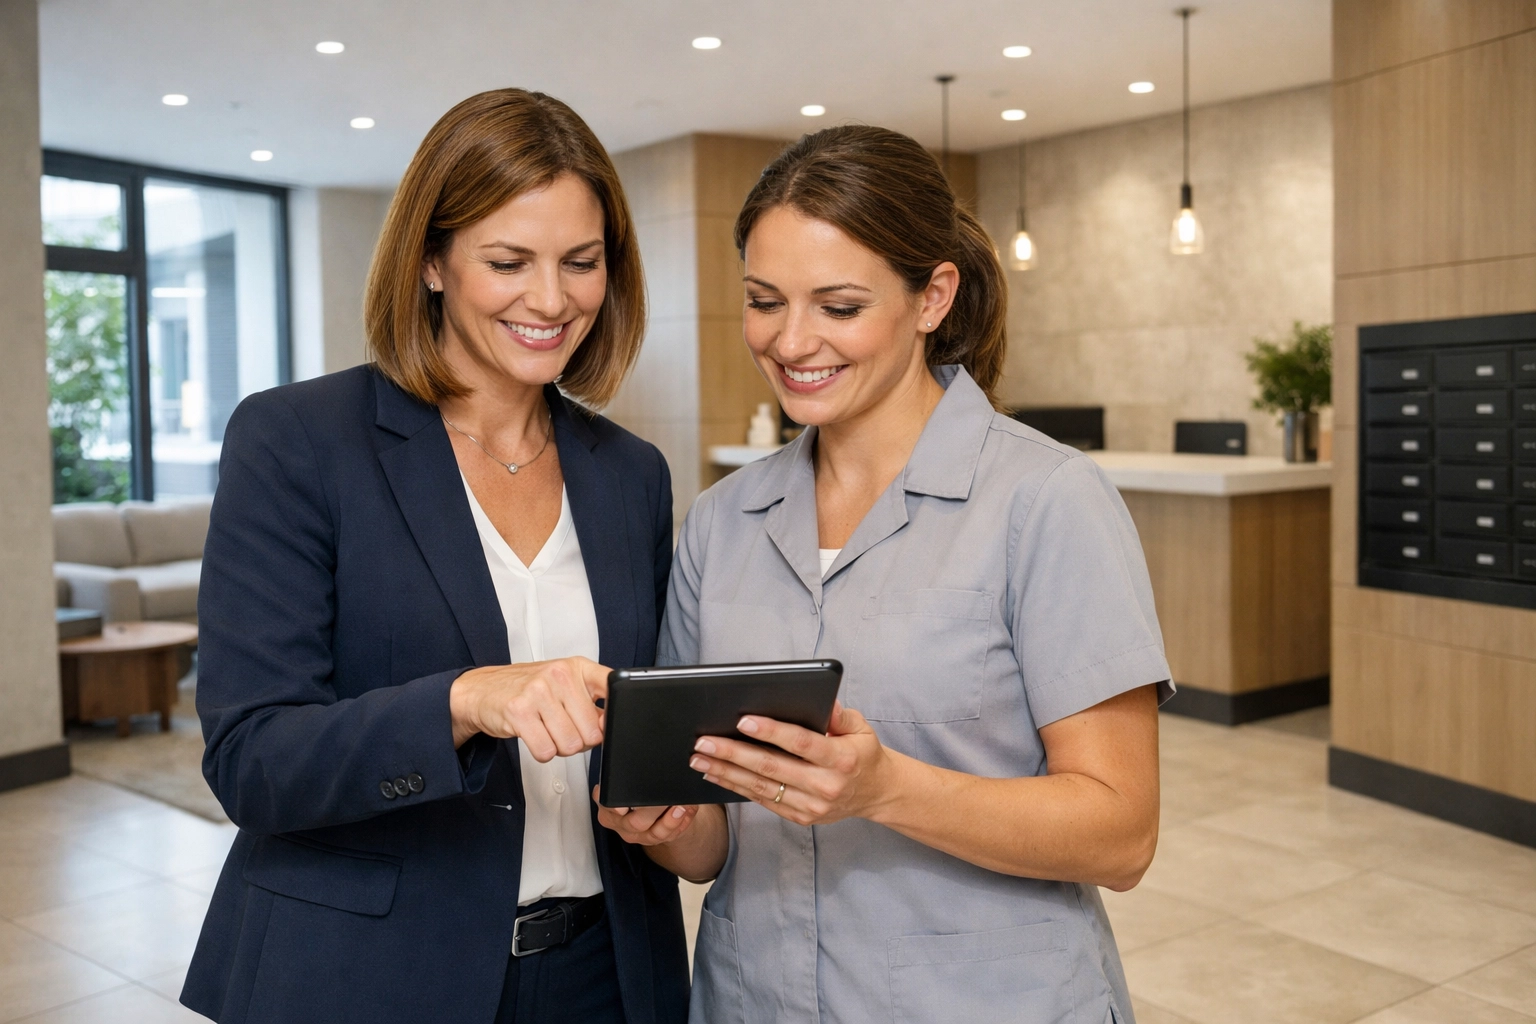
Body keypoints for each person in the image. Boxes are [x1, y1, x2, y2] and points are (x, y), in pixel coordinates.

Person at [600, 125, 1171, 1023]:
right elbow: (712, 843)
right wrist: (665, 821)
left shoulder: (1046, 500)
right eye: (764, 300)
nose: (791, 342)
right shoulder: (722, 521)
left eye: (838, 307)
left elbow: (1122, 833)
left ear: (933, 296)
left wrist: (887, 788)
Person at [182, 89, 687, 1024]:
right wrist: (464, 701)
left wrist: (667, 802)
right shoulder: (298, 440)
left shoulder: (632, 477)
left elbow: (644, 726)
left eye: (582, 263)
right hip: (365, 974)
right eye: (508, 261)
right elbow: (252, 761)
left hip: (604, 974)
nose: (552, 299)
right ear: (430, 261)